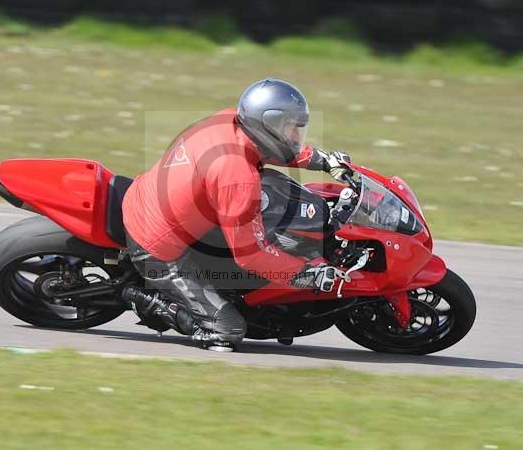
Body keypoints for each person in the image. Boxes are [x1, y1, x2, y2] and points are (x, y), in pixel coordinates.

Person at [121, 78, 352, 351]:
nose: (294, 137)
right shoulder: (238, 177)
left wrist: (321, 159)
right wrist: (308, 275)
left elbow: (273, 146)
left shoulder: (230, 120)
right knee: (228, 330)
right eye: (290, 129)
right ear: (268, 126)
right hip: (155, 247)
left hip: (154, 200)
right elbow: (250, 255)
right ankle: (146, 300)